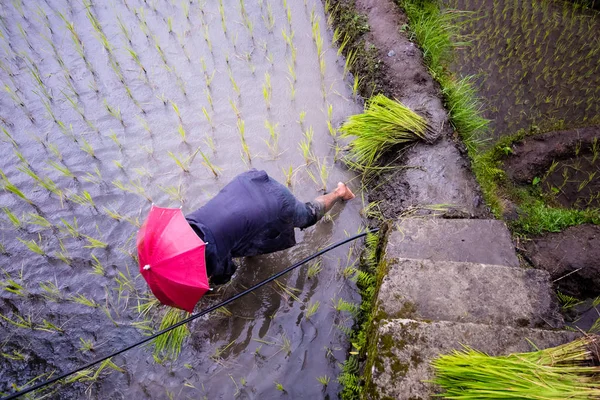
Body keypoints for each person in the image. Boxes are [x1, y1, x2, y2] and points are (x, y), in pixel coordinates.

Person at [185, 169, 355, 284]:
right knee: (241, 239)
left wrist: (211, 281)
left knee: (307, 215)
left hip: (274, 202)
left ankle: (340, 192)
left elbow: (227, 273)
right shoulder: (185, 226)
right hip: (248, 183)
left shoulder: (209, 256)